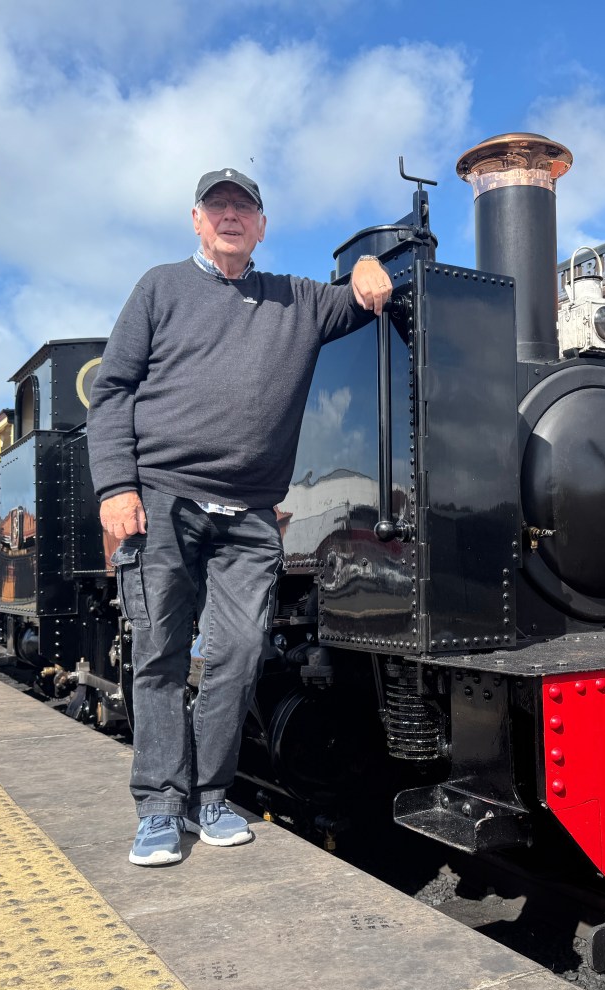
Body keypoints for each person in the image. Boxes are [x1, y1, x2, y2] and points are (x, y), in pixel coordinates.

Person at [86, 168, 392, 866]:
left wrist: (373, 260)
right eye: (217, 206)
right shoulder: (159, 287)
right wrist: (115, 488)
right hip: (162, 498)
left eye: (243, 207)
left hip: (251, 513)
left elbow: (361, 295)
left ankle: (211, 798)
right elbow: (112, 393)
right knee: (159, 654)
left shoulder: (297, 298)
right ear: (197, 220)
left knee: (238, 654)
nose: (230, 215)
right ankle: (160, 808)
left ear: (261, 225)